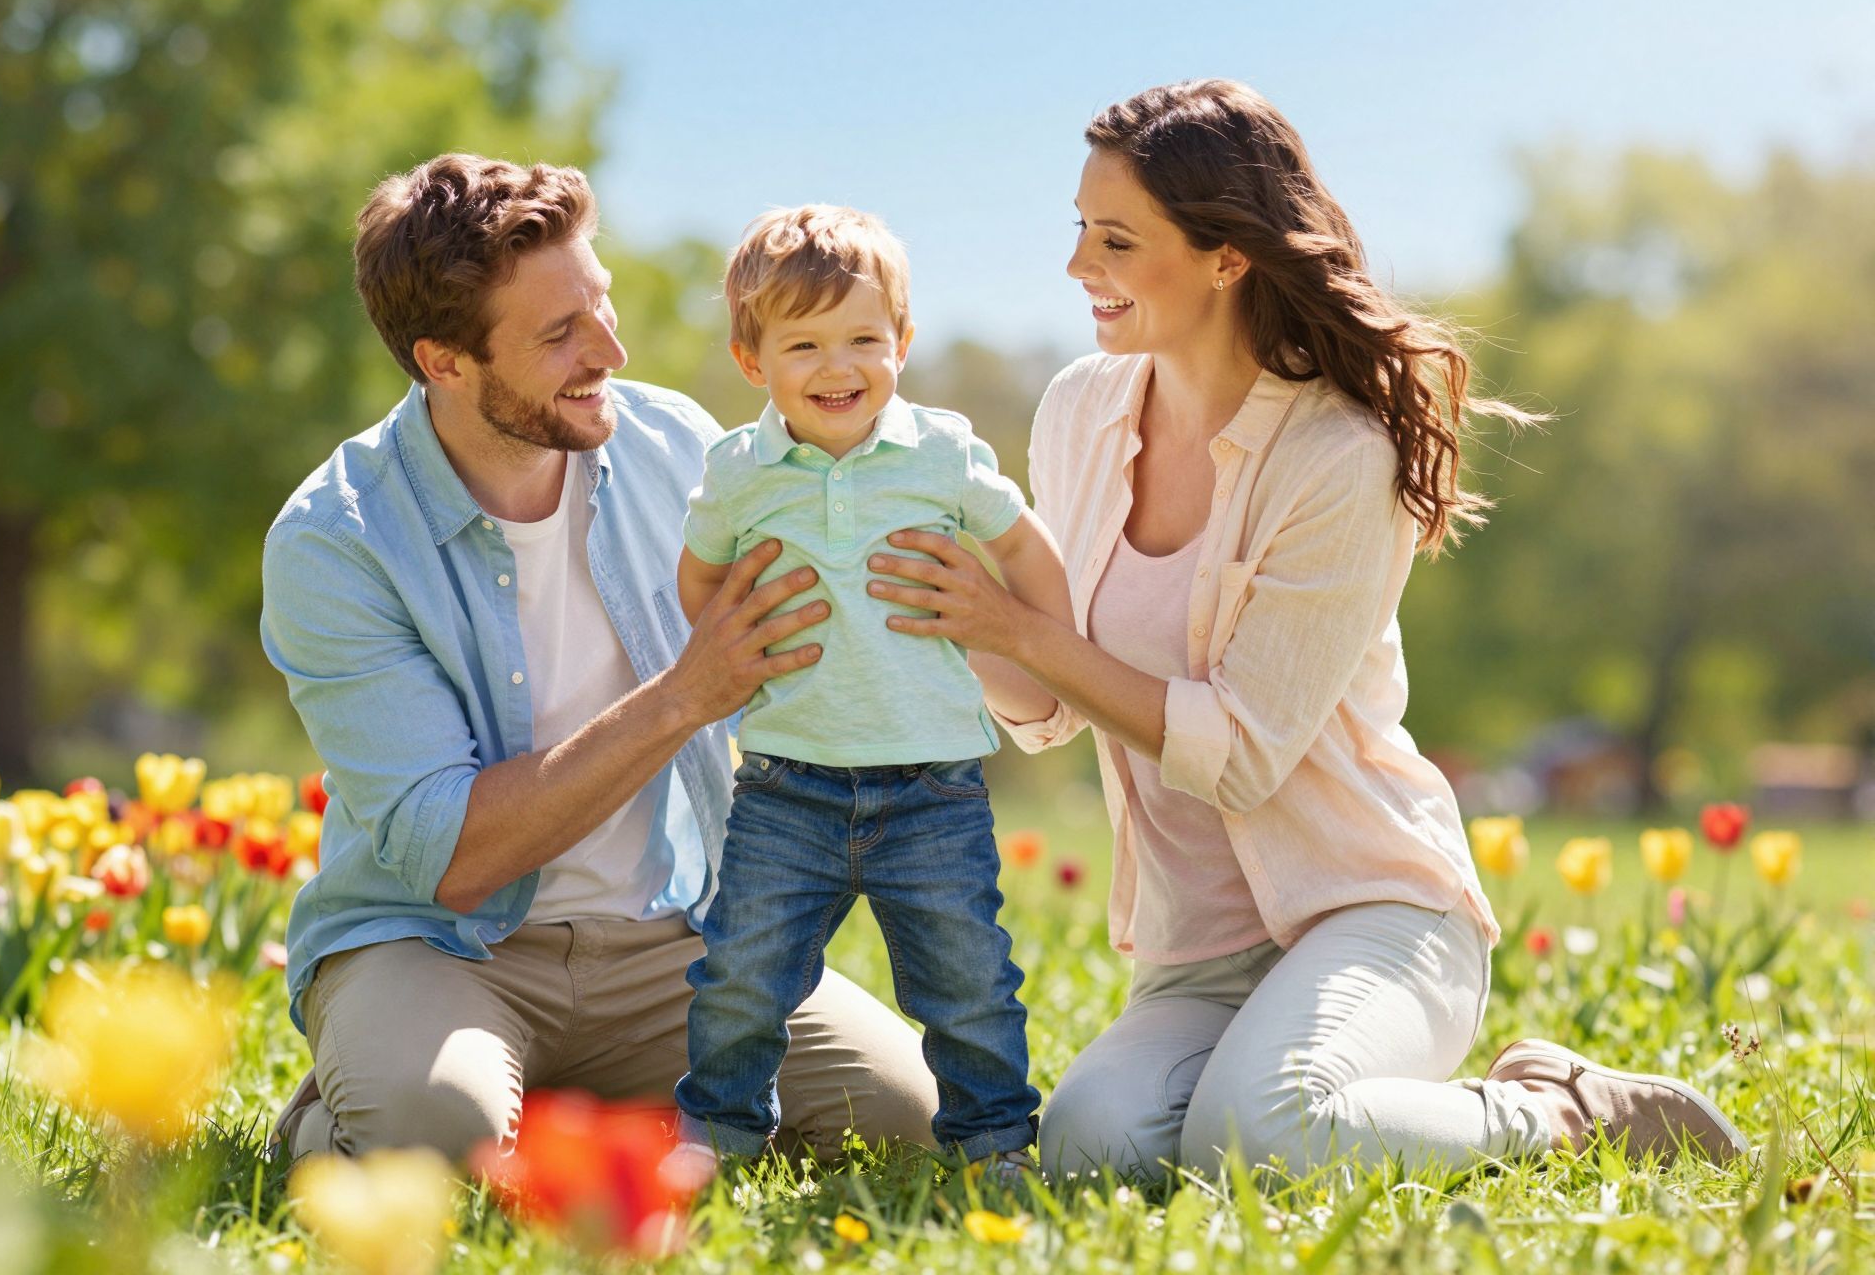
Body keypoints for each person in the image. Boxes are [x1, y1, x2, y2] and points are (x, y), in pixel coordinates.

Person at [863, 80, 1748, 1179]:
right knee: (1090, 1147)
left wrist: (1018, 629)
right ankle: (1289, 1081)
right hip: (1198, 953)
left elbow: (1237, 754)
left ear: (1225, 256)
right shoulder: (1077, 414)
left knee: (1263, 1133)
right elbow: (1044, 712)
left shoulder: (1337, 456)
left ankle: (1559, 1108)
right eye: (1077, 229)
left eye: (1115, 239)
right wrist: (941, 611)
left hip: (1370, 910)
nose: (1076, 265)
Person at [260, 155, 939, 1163]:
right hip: (442, 949)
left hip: (668, 948)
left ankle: (574, 1117)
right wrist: (682, 698)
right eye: (559, 333)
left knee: (903, 1122)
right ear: (443, 361)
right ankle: (350, 1115)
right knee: (435, 1133)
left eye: (601, 305)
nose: (611, 350)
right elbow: (453, 859)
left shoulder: (675, 446)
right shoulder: (338, 539)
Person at [670, 206, 1071, 1176]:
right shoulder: (736, 470)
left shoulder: (939, 452)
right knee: (741, 978)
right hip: (785, 784)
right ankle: (718, 1143)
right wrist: (732, 635)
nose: (836, 365)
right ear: (751, 360)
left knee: (965, 979)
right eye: (802, 344)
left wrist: (1048, 643)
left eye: (862, 339)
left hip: (928, 787)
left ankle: (994, 1146)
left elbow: (1018, 543)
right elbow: (696, 577)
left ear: (902, 342)